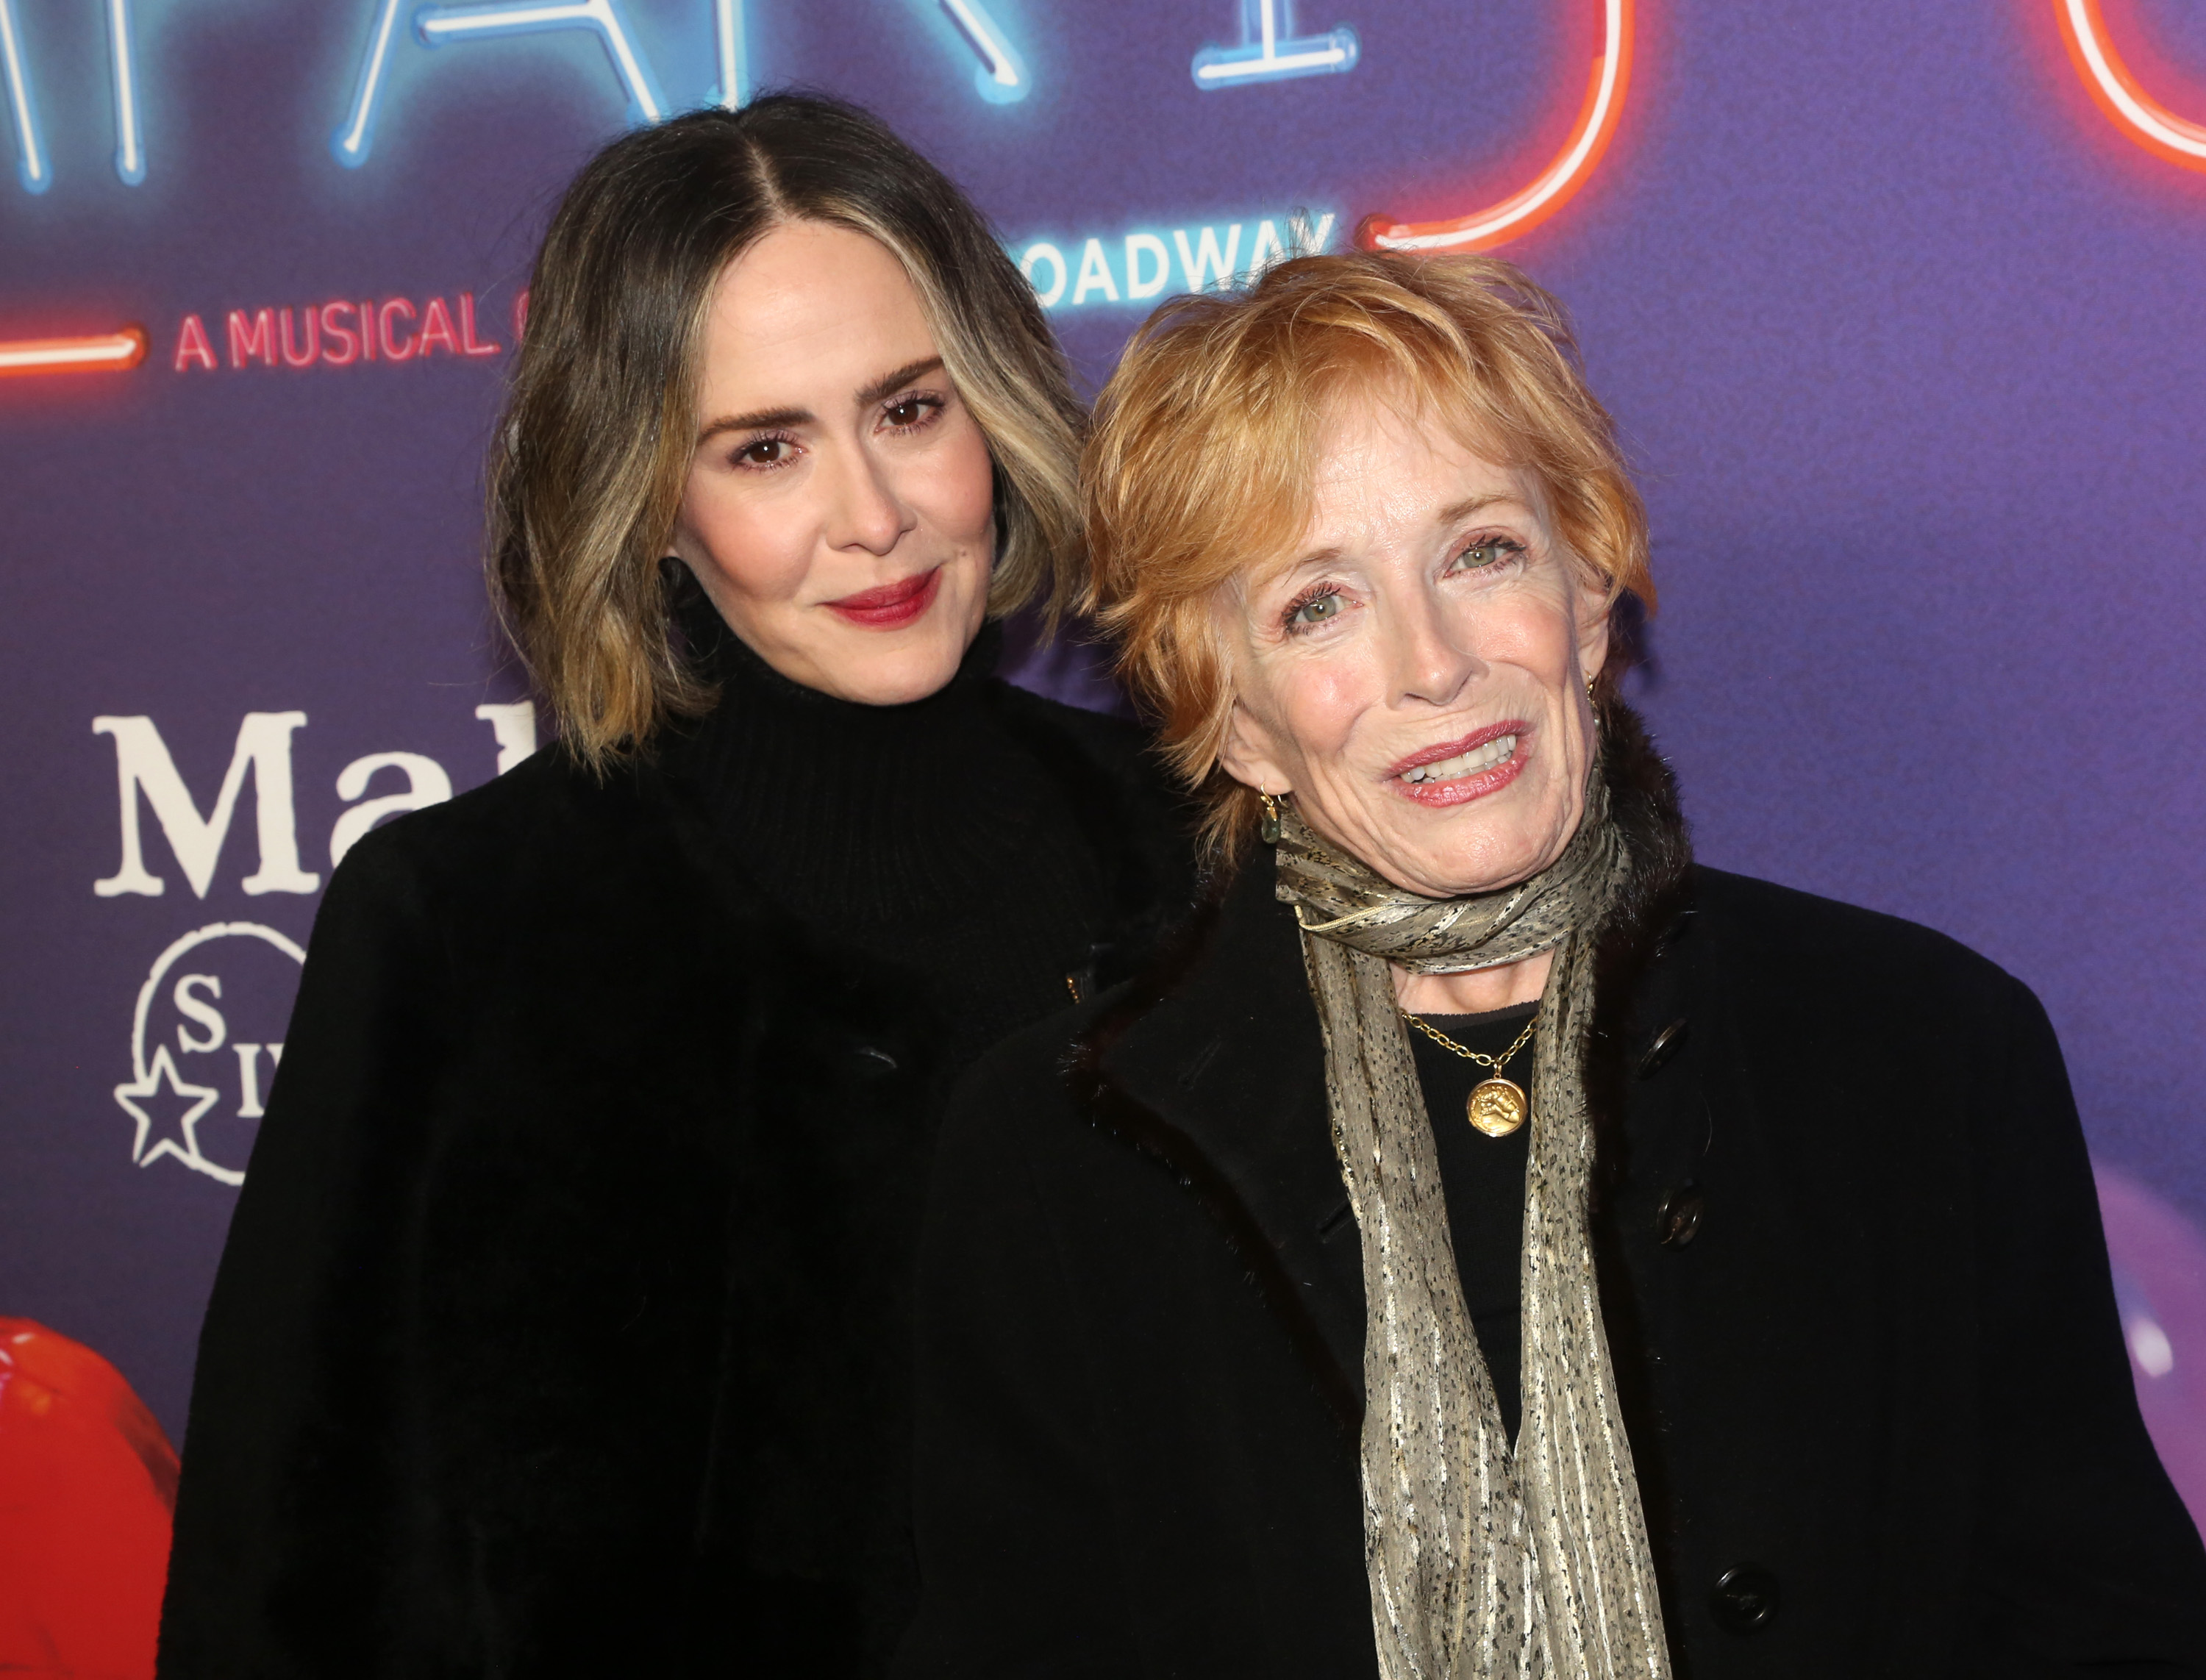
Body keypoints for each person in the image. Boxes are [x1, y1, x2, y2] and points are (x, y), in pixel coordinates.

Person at [896, 253, 2206, 1678]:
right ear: (1234, 721)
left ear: (1588, 595)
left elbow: (2104, 1625)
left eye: (1480, 553)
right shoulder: (1062, 1152)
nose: (1435, 662)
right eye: (1316, 605)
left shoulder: (1920, 1052)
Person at [157, 96, 1191, 1677]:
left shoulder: (1195, 847)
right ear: (647, 504)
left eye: (910, 410)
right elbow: (288, 1577)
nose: (873, 515)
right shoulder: (465, 926)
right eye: (766, 448)